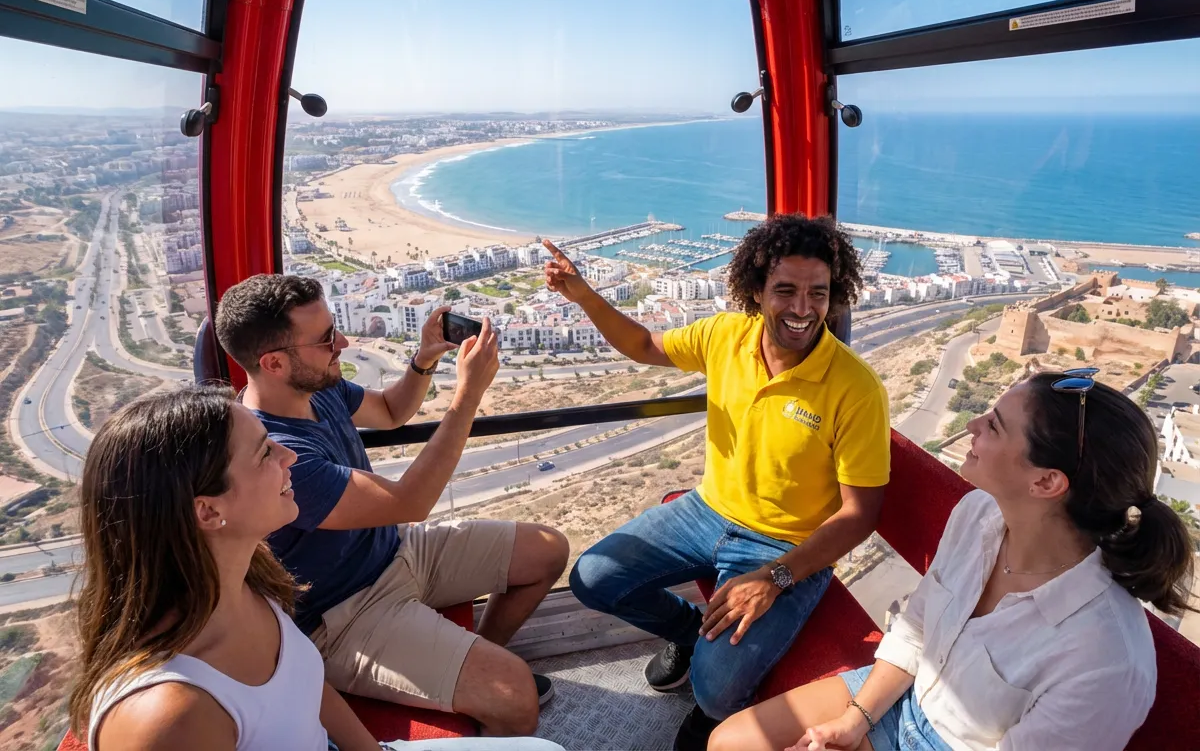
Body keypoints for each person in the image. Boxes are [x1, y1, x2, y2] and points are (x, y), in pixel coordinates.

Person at [710, 371, 1197, 751]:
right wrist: (852, 721)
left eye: (994, 425)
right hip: (909, 692)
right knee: (726, 742)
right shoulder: (979, 514)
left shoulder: (1104, 657)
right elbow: (918, 627)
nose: (972, 425)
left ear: (1047, 483)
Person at [545, 214, 891, 751]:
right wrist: (581, 293)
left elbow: (859, 515)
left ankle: (713, 708)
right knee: (593, 577)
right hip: (706, 511)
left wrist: (775, 577)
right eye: (786, 291)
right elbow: (642, 344)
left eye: (817, 294)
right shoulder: (726, 335)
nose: (802, 309)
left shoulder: (855, 389)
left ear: (834, 295)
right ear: (756, 290)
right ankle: (690, 632)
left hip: (788, 548)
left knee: (715, 691)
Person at [69, 385, 565, 751]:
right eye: (265, 453)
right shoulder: (169, 717)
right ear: (208, 511)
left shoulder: (246, 578)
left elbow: (305, 688)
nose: (288, 457)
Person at [214, 275, 569, 737]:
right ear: (275, 363)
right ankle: (478, 688)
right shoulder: (279, 455)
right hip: (346, 611)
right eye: (325, 340)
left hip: (394, 550)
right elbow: (412, 502)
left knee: (548, 550)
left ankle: (468, 664)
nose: (341, 342)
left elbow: (388, 412)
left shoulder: (319, 386)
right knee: (516, 696)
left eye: (334, 328)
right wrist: (469, 395)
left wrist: (423, 360)